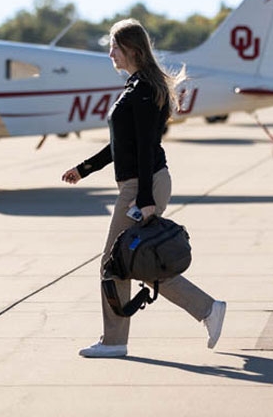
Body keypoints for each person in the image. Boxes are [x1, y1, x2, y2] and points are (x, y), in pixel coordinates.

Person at [61, 18, 226, 358]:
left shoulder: (144, 91)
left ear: (133, 51)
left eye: (115, 48)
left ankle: (115, 341)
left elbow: (148, 144)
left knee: (114, 263)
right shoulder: (137, 87)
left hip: (143, 185)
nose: (110, 54)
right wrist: (84, 169)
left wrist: (145, 199)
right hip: (138, 182)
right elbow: (122, 144)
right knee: (135, 261)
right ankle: (207, 309)